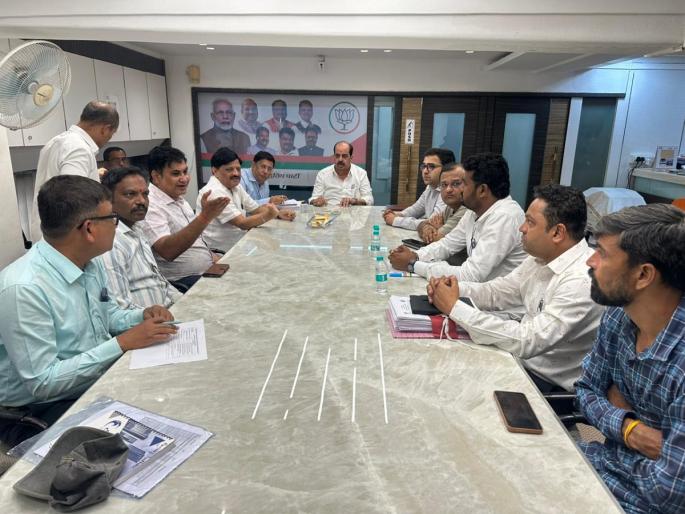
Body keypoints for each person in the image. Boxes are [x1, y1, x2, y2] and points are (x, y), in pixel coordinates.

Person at [0, 176, 176, 446]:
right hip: (38, 409)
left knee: (171, 393)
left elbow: (107, 316)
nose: (116, 226)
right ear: (90, 229)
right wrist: (121, 343)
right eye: (112, 218)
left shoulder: (88, 263)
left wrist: (141, 317)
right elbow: (42, 382)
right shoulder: (24, 288)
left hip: (92, 382)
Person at [428, 185, 603, 392]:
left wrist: (455, 308)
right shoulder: (541, 258)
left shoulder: (581, 280)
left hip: (543, 385)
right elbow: (499, 292)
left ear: (557, 233)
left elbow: (528, 340)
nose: (522, 228)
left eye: (530, 222)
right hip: (517, 362)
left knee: (452, 384)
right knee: (441, 366)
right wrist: (454, 289)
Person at [575, 204, 685, 514]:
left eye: (603, 253)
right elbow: (585, 391)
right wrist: (630, 430)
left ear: (643, 275)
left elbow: (669, 492)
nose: (590, 261)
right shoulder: (618, 317)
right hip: (599, 466)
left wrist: (611, 412)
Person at [389, 152, 526, 282]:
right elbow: (448, 244)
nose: (460, 190)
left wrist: (413, 264)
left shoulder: (504, 217)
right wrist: (416, 255)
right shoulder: (474, 211)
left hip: (495, 297)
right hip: (477, 292)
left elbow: (471, 275)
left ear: (482, 190)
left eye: (463, 184)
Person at [138, 146, 229, 292]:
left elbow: (195, 241)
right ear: (156, 176)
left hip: (207, 269)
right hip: (182, 281)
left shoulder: (179, 199)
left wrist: (213, 257)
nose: (184, 179)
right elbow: (167, 251)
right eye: (176, 173)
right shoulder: (150, 205)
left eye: (185, 172)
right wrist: (205, 217)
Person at [30, 101, 119, 242]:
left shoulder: (55, 142)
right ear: (105, 129)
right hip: (65, 240)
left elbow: (59, 182)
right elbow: (73, 199)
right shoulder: (79, 149)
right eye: (111, 135)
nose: (108, 140)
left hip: (47, 232)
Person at [101, 167, 182, 309]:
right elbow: (121, 307)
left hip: (170, 309)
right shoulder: (111, 242)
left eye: (145, 194)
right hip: (149, 319)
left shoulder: (138, 228)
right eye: (130, 194)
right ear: (109, 199)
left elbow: (159, 281)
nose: (141, 201)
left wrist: (186, 301)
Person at [197, 147, 296, 252]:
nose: (236, 173)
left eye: (238, 169)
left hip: (239, 244)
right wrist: (269, 215)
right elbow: (242, 223)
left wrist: (278, 214)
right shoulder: (214, 191)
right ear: (215, 171)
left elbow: (256, 209)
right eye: (229, 169)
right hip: (220, 252)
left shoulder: (235, 186)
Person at [382, 148, 453, 230]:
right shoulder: (431, 186)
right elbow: (416, 209)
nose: (425, 171)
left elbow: (432, 223)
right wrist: (398, 215)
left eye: (431, 166)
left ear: (446, 169)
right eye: (424, 166)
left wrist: (396, 220)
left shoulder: (449, 192)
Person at [309, 141, 374, 207]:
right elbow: (313, 198)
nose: (340, 159)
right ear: (334, 156)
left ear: (351, 158)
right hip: (329, 212)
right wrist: (316, 201)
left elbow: (369, 199)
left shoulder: (361, 173)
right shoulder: (323, 174)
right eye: (337, 156)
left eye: (344, 156)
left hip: (353, 212)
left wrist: (354, 201)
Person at [417, 164, 468, 245]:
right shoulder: (450, 208)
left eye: (456, 184)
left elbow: (435, 239)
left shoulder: (466, 210)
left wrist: (436, 231)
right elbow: (421, 224)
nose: (448, 190)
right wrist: (427, 228)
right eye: (444, 185)